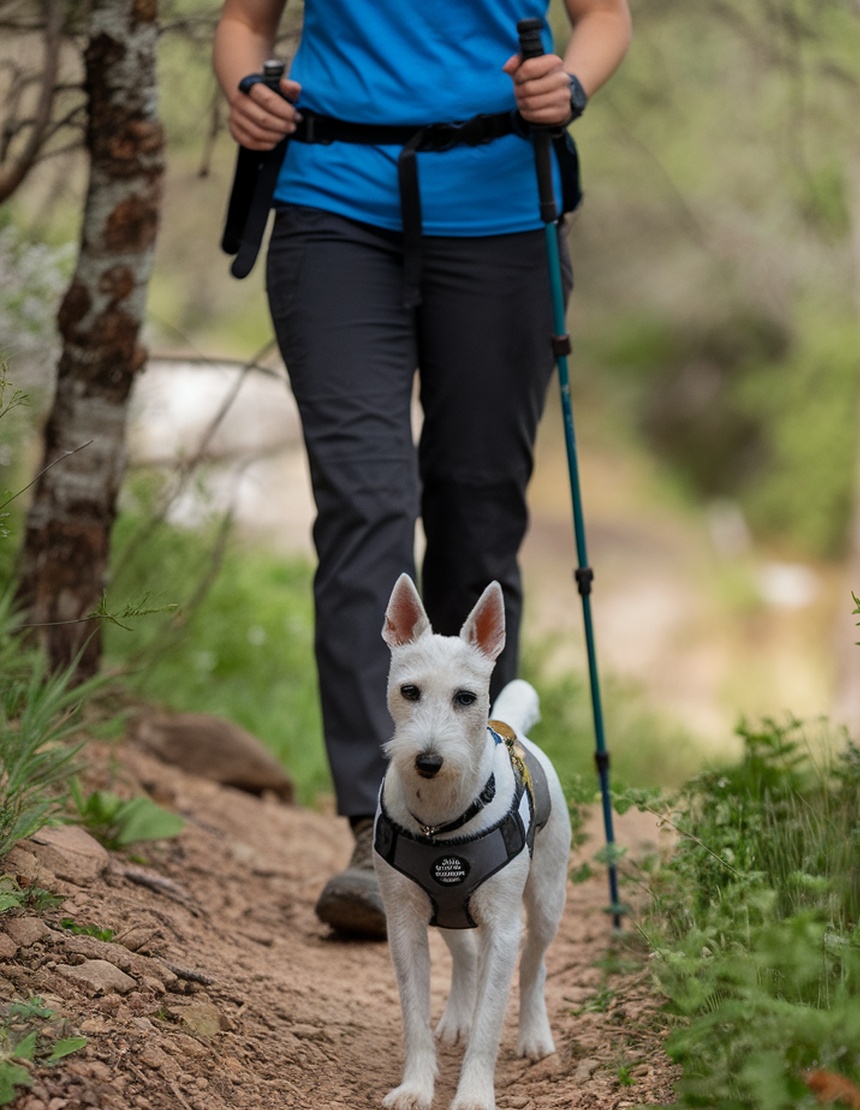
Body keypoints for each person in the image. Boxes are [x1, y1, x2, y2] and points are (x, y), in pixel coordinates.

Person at [213, 0, 632, 939]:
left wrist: (571, 84)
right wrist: (245, 89)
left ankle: (486, 816)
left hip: (502, 217)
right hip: (332, 205)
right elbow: (245, 23)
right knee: (368, 504)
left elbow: (605, 18)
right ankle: (378, 831)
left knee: (477, 513)